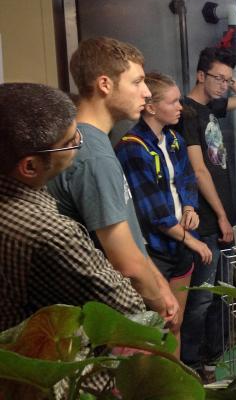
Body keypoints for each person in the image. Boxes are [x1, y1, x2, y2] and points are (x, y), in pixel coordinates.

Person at [48, 36, 180, 331]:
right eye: (137, 82)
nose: (147, 93)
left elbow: (131, 239)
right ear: (105, 84)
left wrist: (160, 283)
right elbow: (127, 264)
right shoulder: (93, 156)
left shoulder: (94, 143)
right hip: (101, 319)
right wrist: (160, 309)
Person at [0, 83, 145, 331]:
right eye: (70, 142)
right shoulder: (51, 233)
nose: (80, 143)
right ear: (30, 167)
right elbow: (127, 307)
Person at [115, 72, 212, 355]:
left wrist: (191, 207)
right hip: (155, 250)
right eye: (173, 102)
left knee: (176, 323)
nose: (180, 107)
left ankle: (177, 377)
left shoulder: (173, 139)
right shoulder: (132, 147)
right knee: (154, 327)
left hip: (180, 245)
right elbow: (152, 211)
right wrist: (193, 240)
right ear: (152, 107)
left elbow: (185, 179)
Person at [178, 46, 236, 381]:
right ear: (200, 75)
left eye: (228, 79)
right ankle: (192, 365)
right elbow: (199, 171)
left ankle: (214, 358)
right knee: (201, 298)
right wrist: (223, 217)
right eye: (218, 78)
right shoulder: (186, 113)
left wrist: (229, 78)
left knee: (222, 293)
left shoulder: (211, 107)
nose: (225, 85)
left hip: (221, 216)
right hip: (207, 220)